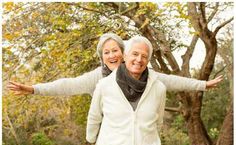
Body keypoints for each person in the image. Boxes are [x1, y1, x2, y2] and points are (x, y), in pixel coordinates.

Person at [9, 33, 222, 100]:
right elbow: (67, 85)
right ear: (102, 57)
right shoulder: (97, 77)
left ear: (124, 53)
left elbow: (173, 81)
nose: (111, 55)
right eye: (106, 52)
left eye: (115, 50)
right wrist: (33, 89)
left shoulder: (142, 72)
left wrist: (202, 84)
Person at [86, 36, 166, 145]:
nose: (139, 59)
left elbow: (158, 122)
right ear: (125, 56)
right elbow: (94, 117)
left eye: (144, 56)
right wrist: (91, 140)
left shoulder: (159, 88)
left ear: (148, 61)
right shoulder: (105, 85)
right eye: (135, 54)